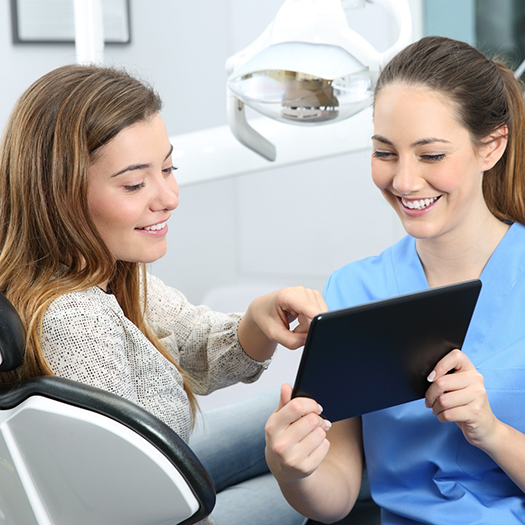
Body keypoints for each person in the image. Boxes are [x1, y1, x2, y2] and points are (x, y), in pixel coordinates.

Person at [0, 64, 327, 525]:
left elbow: (189, 341)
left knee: (311, 410)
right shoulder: (74, 321)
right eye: (135, 183)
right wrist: (306, 492)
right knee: (320, 480)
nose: (169, 196)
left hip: (152, 478)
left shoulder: (99, 270)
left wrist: (256, 321)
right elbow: (129, 506)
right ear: (60, 193)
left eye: (168, 168)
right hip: (148, 510)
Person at [265, 36, 525, 524]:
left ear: (491, 146)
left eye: (430, 156)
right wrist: (293, 470)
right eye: (385, 153)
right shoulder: (354, 290)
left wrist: (491, 430)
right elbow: (337, 493)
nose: (404, 181)